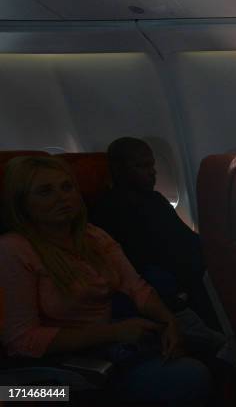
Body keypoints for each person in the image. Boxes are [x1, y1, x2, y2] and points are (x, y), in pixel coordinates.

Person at [0, 156, 210, 403]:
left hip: (106, 351)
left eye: (67, 187)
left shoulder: (93, 236)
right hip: (55, 377)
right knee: (190, 377)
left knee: (211, 353)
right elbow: (22, 341)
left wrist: (169, 321)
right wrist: (113, 332)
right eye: (45, 191)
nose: (62, 197)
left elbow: (136, 287)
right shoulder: (13, 250)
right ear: (22, 203)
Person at [90, 138, 219, 329]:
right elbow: (132, 263)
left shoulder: (156, 200)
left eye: (152, 165)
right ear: (118, 170)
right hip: (164, 279)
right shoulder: (105, 211)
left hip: (188, 270)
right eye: (141, 166)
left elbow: (186, 238)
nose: (152, 172)